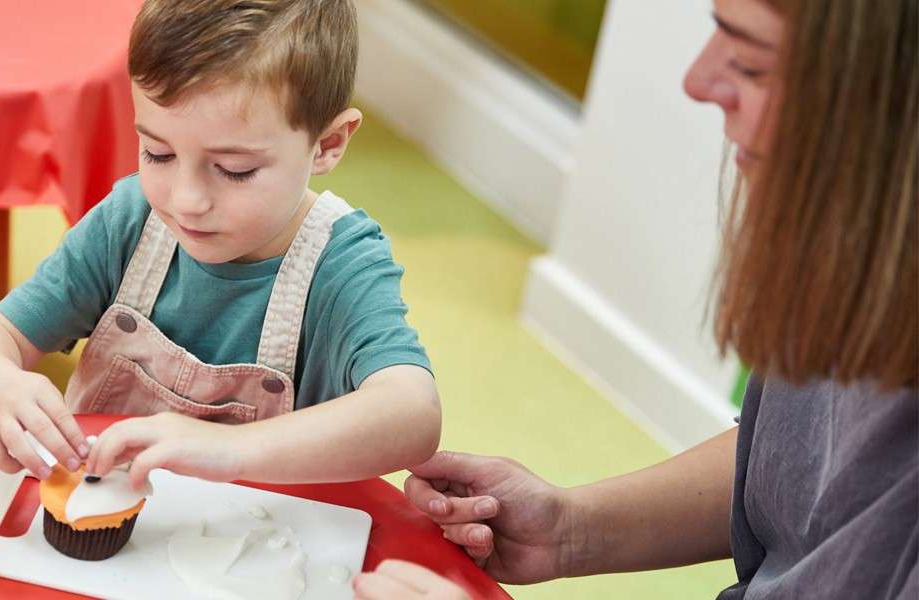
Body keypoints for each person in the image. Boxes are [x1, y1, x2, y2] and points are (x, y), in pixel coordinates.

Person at [354, 0, 917, 598]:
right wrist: (571, 529)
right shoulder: (869, 248)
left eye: (753, 65)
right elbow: (811, 464)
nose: (697, 81)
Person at [0, 0, 441, 490]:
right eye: (157, 153)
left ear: (328, 144)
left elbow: (413, 413)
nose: (186, 201)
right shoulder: (130, 221)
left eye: (234, 169)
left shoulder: (341, 264)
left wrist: (229, 450)